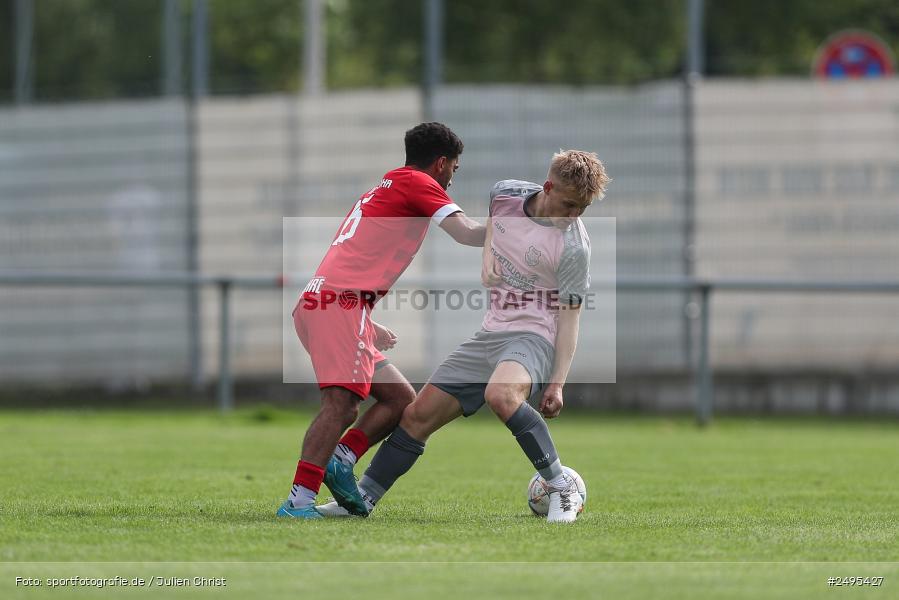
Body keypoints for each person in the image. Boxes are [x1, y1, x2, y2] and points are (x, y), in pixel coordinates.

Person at [318, 150, 610, 523]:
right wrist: (488, 254)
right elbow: (497, 225)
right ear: (548, 187)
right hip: (490, 334)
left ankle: (560, 485)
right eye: (569, 205)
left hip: (535, 337)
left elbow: (570, 317)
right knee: (417, 415)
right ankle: (361, 500)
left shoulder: (574, 247)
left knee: (501, 395)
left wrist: (558, 383)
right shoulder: (506, 193)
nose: (574, 217)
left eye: (582, 209)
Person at [278, 122, 494, 519]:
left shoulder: (383, 187)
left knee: (400, 400)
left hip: (330, 303)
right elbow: (466, 233)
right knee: (340, 406)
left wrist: (364, 318)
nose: (452, 179)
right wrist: (519, 223)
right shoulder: (418, 183)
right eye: (454, 170)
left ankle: (341, 458)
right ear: (442, 163)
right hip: (338, 307)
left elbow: (353, 252)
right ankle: (299, 501)